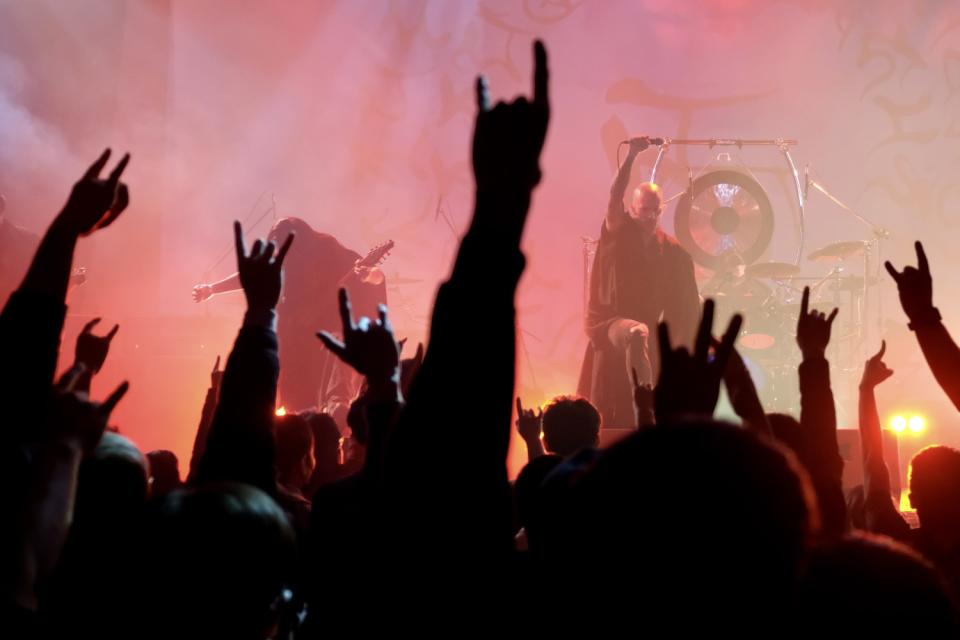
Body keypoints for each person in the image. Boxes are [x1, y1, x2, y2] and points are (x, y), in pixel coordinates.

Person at [192, 217, 387, 411]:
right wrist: (212, 289)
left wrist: (369, 274)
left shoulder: (328, 251)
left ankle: (336, 407)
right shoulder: (284, 257)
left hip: (327, 334)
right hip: (293, 336)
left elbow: (375, 276)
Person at [577, 138, 700, 426]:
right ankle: (647, 412)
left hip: (650, 330)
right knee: (637, 332)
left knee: (648, 337)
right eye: (645, 209)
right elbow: (613, 194)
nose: (651, 215)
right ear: (633, 208)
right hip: (611, 322)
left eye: (656, 210)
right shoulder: (618, 231)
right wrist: (632, 155)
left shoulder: (671, 250)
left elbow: (685, 299)